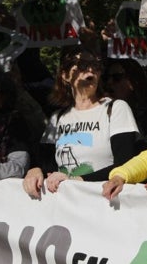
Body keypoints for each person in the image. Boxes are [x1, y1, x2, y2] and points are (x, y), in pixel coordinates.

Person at [23, 49, 139, 197]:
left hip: (104, 200)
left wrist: (77, 180)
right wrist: (35, 170)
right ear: (65, 75)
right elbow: (47, 165)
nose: (90, 69)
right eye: (82, 65)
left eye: (95, 65)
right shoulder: (58, 118)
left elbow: (125, 164)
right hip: (68, 202)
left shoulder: (115, 108)